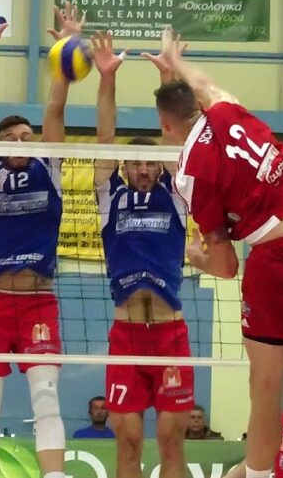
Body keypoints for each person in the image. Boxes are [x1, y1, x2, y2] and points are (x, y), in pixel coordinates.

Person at [152, 26, 283, 478]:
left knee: (264, 390)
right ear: (197, 105)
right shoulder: (226, 111)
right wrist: (175, 61)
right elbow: (204, 84)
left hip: (281, 259)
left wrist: (197, 258)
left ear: (165, 126)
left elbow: (227, 266)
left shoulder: (191, 174)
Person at [0, 2, 82, 478]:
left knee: (46, 399)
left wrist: (66, 50)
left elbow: (55, 108)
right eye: (10, 138)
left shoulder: (48, 168)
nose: (19, 143)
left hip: (38, 302)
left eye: (26, 137)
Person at [91, 30, 192, 477]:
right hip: (126, 336)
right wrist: (107, 78)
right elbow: (104, 138)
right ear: (126, 168)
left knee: (171, 440)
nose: (144, 168)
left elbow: (176, 141)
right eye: (135, 163)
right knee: (128, 439)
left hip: (170, 334)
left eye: (150, 163)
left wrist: (169, 75)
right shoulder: (110, 197)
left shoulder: (176, 195)